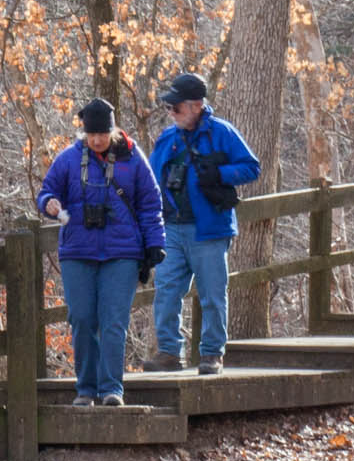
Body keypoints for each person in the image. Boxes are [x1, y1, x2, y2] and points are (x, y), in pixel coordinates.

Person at [37, 97, 166, 407]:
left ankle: (111, 389)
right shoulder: (68, 160)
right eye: (91, 134)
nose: (97, 140)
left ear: (113, 131)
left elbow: (150, 204)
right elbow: (47, 191)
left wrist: (154, 245)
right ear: (84, 132)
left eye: (102, 134)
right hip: (78, 251)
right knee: (81, 318)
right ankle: (86, 388)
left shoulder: (133, 159)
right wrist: (49, 204)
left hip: (121, 252)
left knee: (113, 321)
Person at [146, 72, 262, 374]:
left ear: (196, 105)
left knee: (212, 293)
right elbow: (149, 179)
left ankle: (212, 354)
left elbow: (252, 168)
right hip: (171, 227)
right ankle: (170, 352)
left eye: (177, 107)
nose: (171, 113)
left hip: (208, 228)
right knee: (167, 291)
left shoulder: (222, 133)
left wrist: (220, 175)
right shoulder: (168, 138)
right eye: (170, 108)